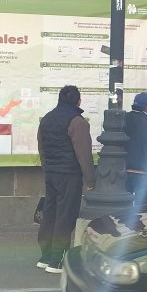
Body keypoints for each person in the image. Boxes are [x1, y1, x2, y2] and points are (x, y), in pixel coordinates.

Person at [37, 85, 95, 274]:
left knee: (50, 213)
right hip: (70, 175)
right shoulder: (77, 122)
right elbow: (84, 153)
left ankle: (45, 256)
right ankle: (57, 260)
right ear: (78, 101)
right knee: (65, 216)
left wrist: (48, 168)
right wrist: (90, 179)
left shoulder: (46, 119)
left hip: (51, 173)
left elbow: (42, 148)